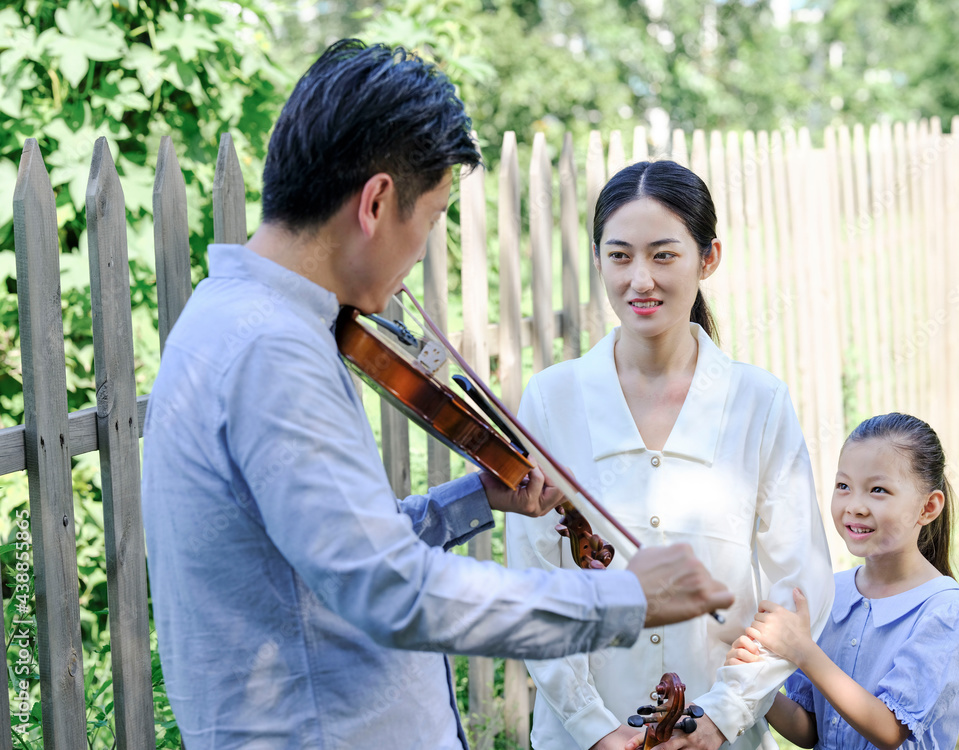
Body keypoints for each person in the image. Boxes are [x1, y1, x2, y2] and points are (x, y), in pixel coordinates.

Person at [140, 40, 734, 749]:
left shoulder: (233, 317)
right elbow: (388, 588)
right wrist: (626, 597)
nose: (423, 250)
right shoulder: (272, 349)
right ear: (377, 202)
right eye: (432, 216)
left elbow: (326, 552)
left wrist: (472, 499)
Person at [505, 159, 835, 750]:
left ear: (708, 259)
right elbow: (534, 583)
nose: (640, 279)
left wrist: (722, 715)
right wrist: (593, 728)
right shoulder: (550, 399)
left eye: (663, 255)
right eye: (619, 255)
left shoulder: (759, 401)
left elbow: (797, 581)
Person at [725, 413, 959, 749]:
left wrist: (801, 650)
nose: (854, 506)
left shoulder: (943, 610)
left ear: (928, 507)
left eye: (878, 490)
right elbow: (809, 729)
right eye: (843, 486)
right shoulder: (830, 592)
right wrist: (757, 684)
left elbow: (890, 731)